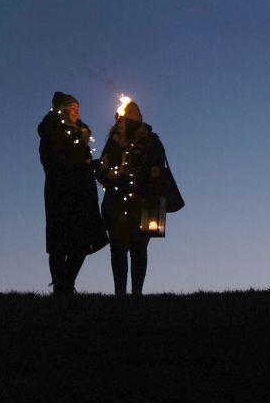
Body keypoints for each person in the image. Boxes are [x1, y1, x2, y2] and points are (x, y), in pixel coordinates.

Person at [95, 100, 171, 296]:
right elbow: (101, 170)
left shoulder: (152, 141)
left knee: (139, 247)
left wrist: (153, 174)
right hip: (115, 201)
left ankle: (136, 292)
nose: (125, 117)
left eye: (131, 112)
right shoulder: (113, 141)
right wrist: (108, 175)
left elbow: (158, 167)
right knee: (118, 249)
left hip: (142, 201)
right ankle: (120, 293)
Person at [37, 92, 108, 295]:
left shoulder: (80, 135)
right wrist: (85, 164)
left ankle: (66, 284)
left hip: (83, 195)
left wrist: (92, 165)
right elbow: (54, 163)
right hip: (60, 194)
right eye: (72, 107)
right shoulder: (51, 133)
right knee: (59, 242)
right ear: (61, 109)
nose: (77, 111)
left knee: (82, 240)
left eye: (78, 107)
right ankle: (62, 288)